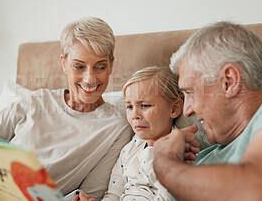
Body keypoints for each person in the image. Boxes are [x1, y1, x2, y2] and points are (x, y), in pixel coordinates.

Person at [0, 17, 133, 200]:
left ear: (111, 64)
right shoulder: (35, 101)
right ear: (64, 63)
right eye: (79, 67)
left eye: (100, 67)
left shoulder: (118, 126)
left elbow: (91, 192)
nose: (90, 78)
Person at [153, 21, 262, 201]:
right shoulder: (199, 161)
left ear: (228, 81)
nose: (187, 111)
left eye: (190, 92)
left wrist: (164, 162)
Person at [72, 66, 193, 201]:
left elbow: (171, 196)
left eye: (145, 105)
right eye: (129, 107)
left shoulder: (182, 149)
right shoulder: (129, 149)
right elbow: (113, 194)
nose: (134, 115)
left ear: (174, 108)